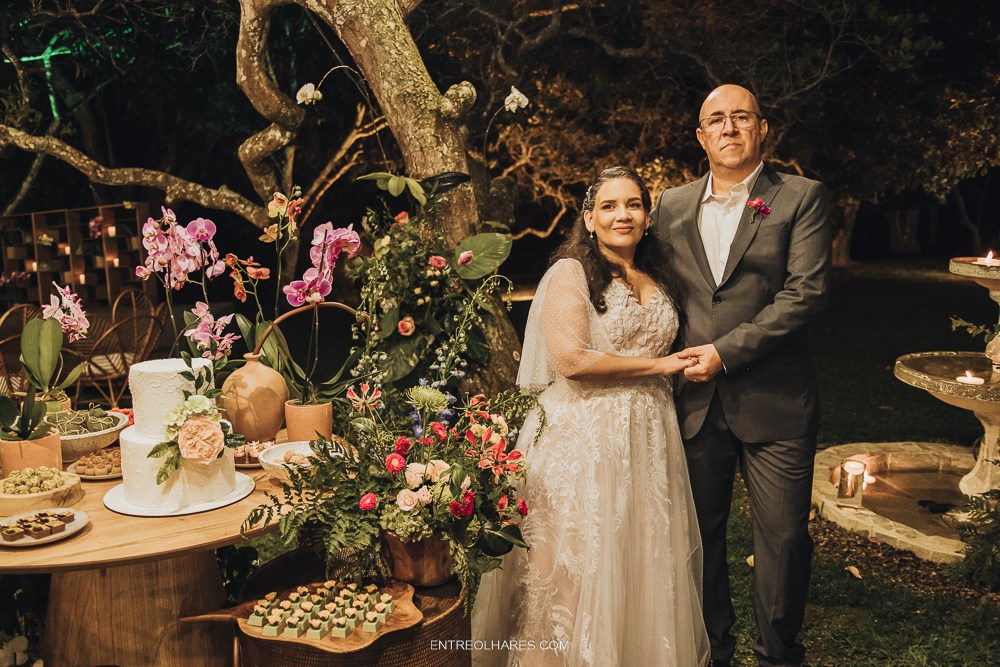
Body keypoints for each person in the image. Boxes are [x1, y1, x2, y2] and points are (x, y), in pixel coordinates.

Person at [472, 166, 710, 666]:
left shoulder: (659, 274)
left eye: (633, 204)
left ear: (647, 215)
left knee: (639, 560)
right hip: (583, 436)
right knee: (574, 568)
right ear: (589, 217)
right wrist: (660, 365)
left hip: (648, 434)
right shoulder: (571, 272)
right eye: (609, 205)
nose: (622, 215)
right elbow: (571, 362)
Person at [650, 84, 832, 667]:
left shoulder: (801, 197)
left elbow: (805, 294)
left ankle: (779, 654)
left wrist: (724, 352)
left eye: (741, 118)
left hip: (775, 400)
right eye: (716, 120)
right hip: (693, 402)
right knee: (699, 541)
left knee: (783, 541)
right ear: (700, 136)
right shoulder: (670, 205)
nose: (729, 128)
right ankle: (712, 651)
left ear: (762, 129)